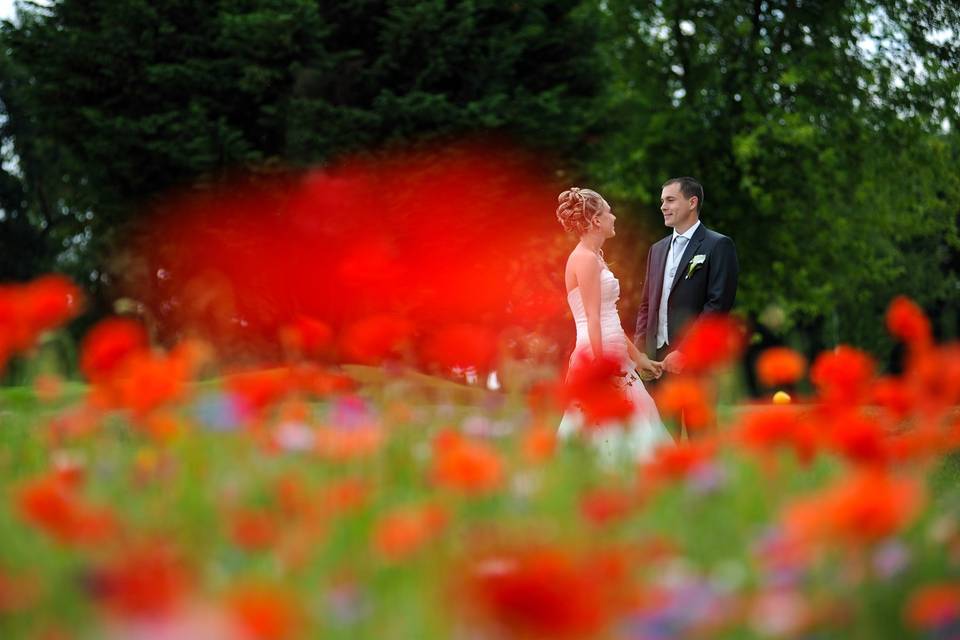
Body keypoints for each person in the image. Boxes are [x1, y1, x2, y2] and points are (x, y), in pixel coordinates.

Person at [555, 187, 672, 463]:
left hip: (613, 349)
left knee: (636, 423)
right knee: (602, 428)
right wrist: (600, 369)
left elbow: (610, 320)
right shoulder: (583, 259)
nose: (613, 217)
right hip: (598, 353)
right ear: (596, 220)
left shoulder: (596, 257)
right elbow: (593, 318)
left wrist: (639, 358)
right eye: (608, 211)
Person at [635, 176, 739, 376]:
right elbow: (646, 305)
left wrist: (684, 351)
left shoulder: (718, 245)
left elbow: (717, 305)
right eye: (662, 201)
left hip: (696, 358)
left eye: (670, 200)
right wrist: (641, 353)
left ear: (692, 202)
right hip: (655, 360)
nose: (663, 207)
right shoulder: (656, 249)